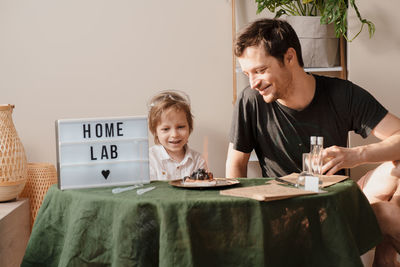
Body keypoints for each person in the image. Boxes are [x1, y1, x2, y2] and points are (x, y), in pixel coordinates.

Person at [226, 18, 400, 266]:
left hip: (336, 201)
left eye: (260, 70)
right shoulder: (251, 101)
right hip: (286, 210)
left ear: (289, 57)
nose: (254, 82)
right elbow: (236, 163)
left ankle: (385, 256)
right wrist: (244, 218)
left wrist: (355, 154)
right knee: (386, 213)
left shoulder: (342, 95)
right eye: (248, 74)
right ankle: (386, 256)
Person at [148, 90, 207, 180]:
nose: (174, 135)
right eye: (166, 129)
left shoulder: (198, 160)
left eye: (180, 127)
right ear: (155, 131)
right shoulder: (149, 160)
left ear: (189, 127)